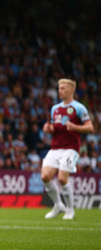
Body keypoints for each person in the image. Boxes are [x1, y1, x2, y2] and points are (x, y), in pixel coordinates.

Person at [41, 78, 93, 220]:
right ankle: (58, 205)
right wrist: (49, 129)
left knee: (62, 178)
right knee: (45, 176)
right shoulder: (55, 109)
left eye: (63, 88)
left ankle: (70, 210)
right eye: (59, 88)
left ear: (71, 90)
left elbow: (90, 127)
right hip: (56, 147)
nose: (60, 90)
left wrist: (75, 127)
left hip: (71, 148)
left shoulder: (79, 108)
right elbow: (54, 128)